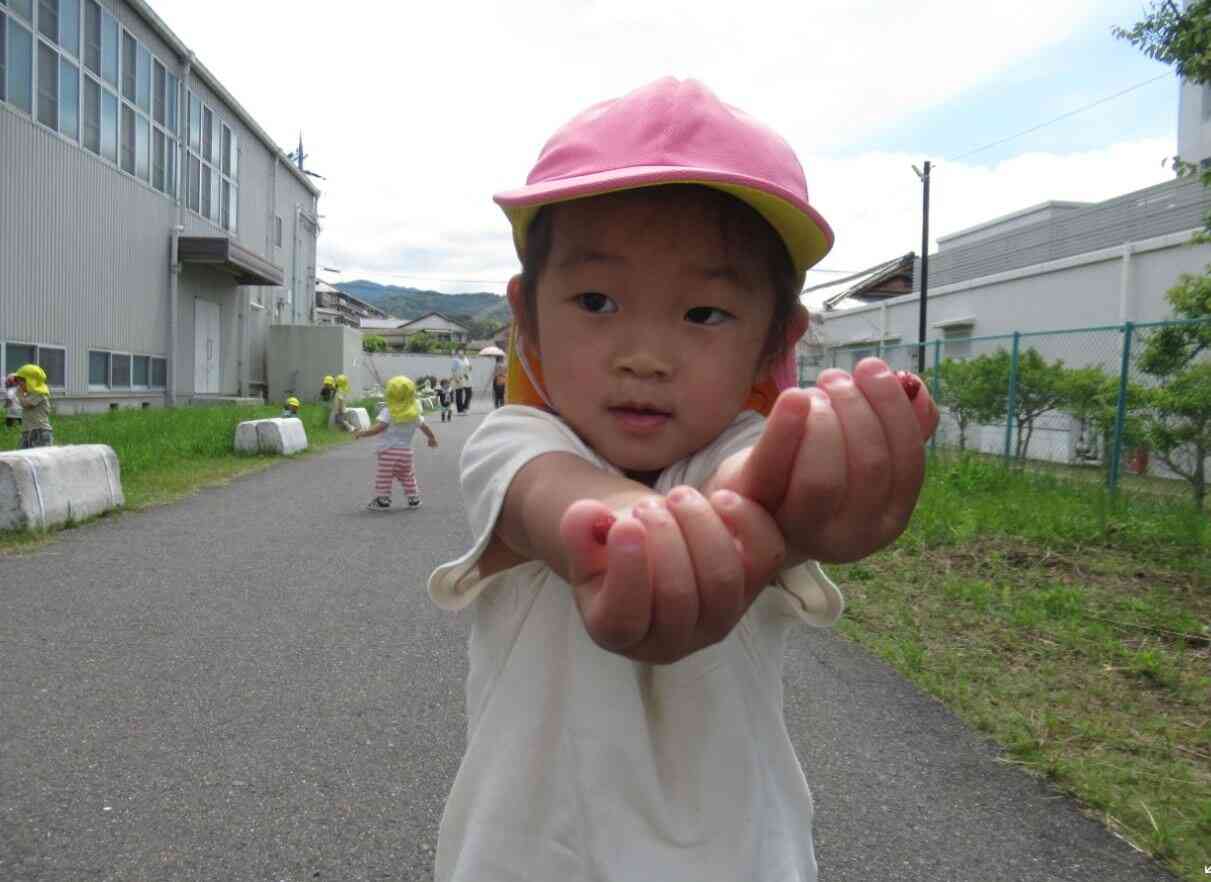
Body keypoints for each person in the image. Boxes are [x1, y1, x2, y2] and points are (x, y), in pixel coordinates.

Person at [426, 78, 939, 882]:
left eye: (704, 314)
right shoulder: (513, 441)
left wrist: (812, 492)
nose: (644, 355)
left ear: (774, 341)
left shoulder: (740, 446)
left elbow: (749, 476)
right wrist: (637, 532)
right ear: (526, 315)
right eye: (595, 300)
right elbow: (556, 499)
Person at [353, 375, 437, 511]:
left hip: (388, 452)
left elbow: (378, 428)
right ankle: (413, 499)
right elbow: (424, 427)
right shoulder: (414, 413)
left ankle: (382, 500)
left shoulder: (388, 412)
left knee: (384, 477)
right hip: (406, 453)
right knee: (407, 476)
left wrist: (362, 433)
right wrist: (431, 438)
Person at [12, 364, 54, 449]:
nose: (19, 384)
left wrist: (19, 394)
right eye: (18, 381)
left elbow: (27, 404)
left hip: (40, 432)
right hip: (27, 431)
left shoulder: (40, 393)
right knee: (22, 457)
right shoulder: (29, 394)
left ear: (31, 380)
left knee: (39, 458)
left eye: (21, 381)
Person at [450, 346, 472, 415]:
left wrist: (470, 368)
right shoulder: (455, 360)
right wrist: (455, 378)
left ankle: (465, 408)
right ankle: (460, 410)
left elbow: (468, 368)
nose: (461, 352)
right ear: (458, 352)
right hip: (458, 378)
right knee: (459, 394)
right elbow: (453, 370)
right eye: (459, 351)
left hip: (466, 378)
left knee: (469, 393)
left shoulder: (466, 359)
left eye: (462, 351)